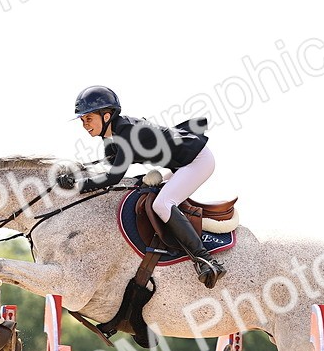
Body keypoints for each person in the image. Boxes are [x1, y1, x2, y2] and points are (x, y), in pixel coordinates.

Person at [64, 85, 225, 289]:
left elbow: (112, 178)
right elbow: (107, 166)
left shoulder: (126, 134)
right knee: (143, 189)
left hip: (197, 160)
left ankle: (206, 260)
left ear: (106, 116)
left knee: (162, 204)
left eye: (89, 118)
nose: (85, 124)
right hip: (181, 164)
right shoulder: (116, 132)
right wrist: (77, 176)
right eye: (82, 120)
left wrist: (77, 185)